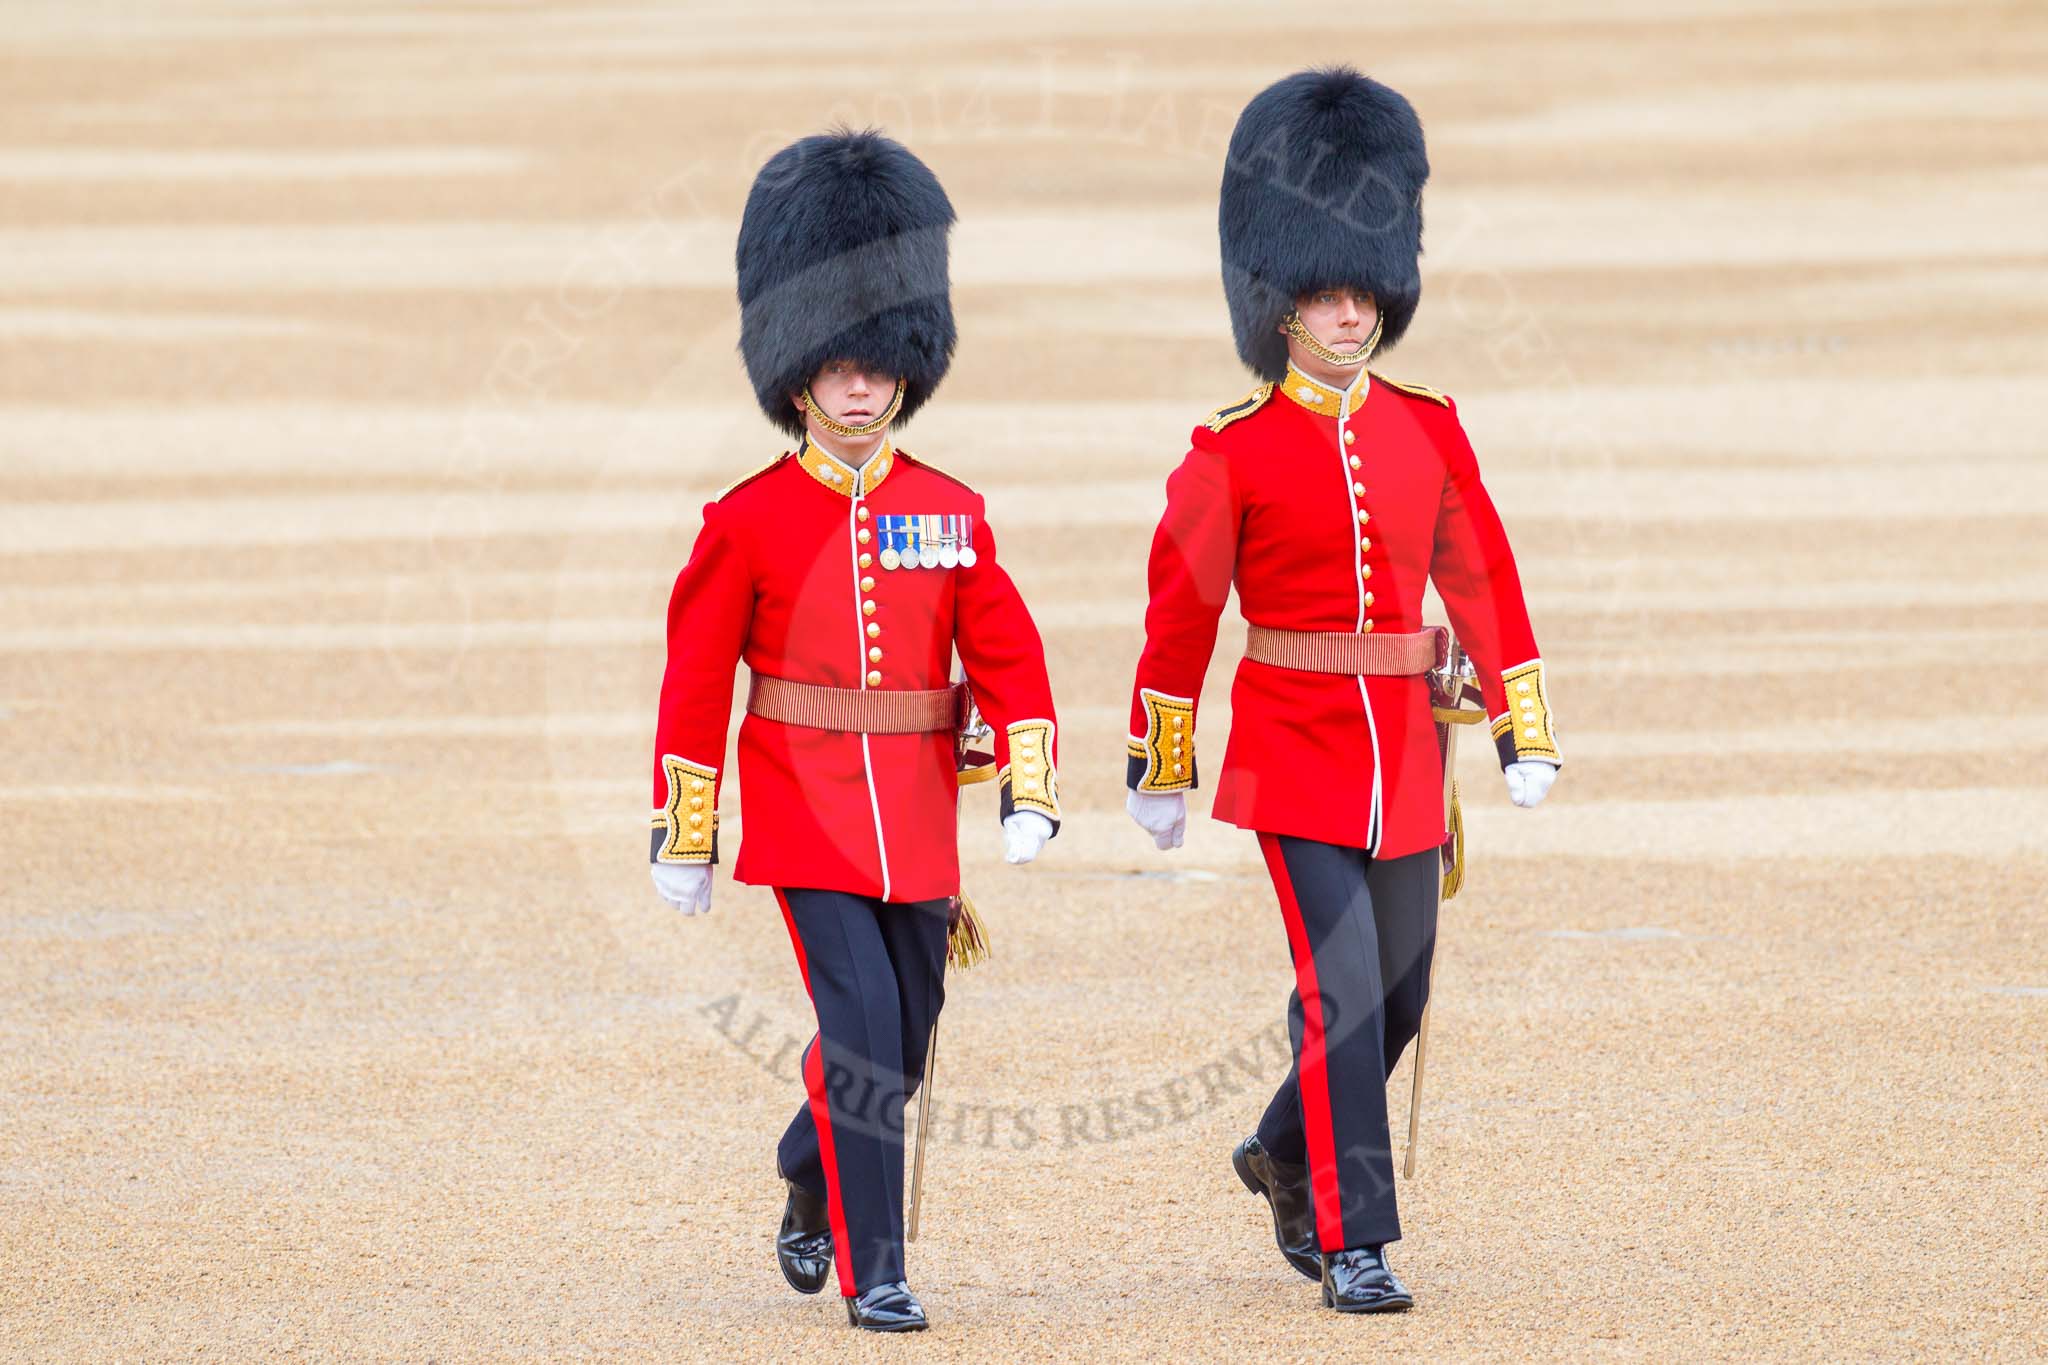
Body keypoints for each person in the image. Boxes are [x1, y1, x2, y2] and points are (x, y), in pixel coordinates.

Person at [1123, 67, 1561, 1315]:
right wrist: (1161, 763)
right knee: (1342, 985)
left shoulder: (1426, 427)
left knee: (1400, 987)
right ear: (1277, 305)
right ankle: (1355, 1234)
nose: (1349, 312)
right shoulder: (1232, 452)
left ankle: (1277, 1148)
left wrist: (1523, 722)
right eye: (1322, 294)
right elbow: (1181, 619)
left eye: (1363, 289)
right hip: (1291, 747)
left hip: (1404, 751)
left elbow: (1480, 574)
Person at [648, 128, 1061, 1333]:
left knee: (907, 1033)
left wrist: (1028, 780)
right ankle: (876, 1266)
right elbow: (694, 679)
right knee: (867, 1038)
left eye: (878, 366)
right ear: (797, 378)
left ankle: (804, 1161)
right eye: (838, 368)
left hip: (918, 819)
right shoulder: (748, 520)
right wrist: (684, 830)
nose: (861, 388)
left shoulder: (948, 511)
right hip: (802, 812)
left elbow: (1007, 652)